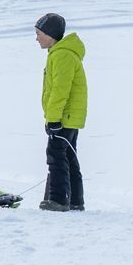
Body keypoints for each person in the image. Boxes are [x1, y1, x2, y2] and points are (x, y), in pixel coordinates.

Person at [35, 12, 86, 212]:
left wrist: (54, 119)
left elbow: (60, 90)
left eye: (39, 34)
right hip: (69, 117)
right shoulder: (60, 53)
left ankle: (58, 200)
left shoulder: (62, 55)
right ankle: (75, 201)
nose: (37, 38)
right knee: (69, 158)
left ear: (50, 34)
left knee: (56, 157)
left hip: (63, 117)